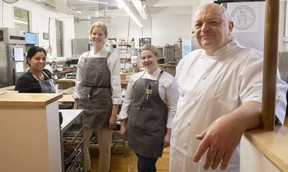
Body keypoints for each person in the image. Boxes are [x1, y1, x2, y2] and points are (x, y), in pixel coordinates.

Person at [169, 3, 287, 172]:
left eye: (213, 22)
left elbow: (269, 101)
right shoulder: (187, 61)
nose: (204, 28)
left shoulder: (252, 60)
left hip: (216, 163)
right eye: (198, 24)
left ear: (230, 26)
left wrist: (234, 120)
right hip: (179, 156)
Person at [119, 44, 179, 172]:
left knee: (144, 166)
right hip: (135, 129)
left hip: (154, 133)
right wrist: (123, 124)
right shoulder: (135, 78)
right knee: (146, 165)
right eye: (143, 58)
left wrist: (169, 133)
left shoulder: (168, 81)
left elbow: (173, 109)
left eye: (149, 56)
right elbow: (127, 101)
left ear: (157, 57)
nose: (146, 60)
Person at [73, 21, 122, 172]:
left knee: (105, 148)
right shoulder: (84, 57)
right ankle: (87, 169)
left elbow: (116, 87)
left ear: (106, 37)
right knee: (83, 144)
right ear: (90, 36)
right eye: (94, 33)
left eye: (100, 34)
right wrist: (76, 107)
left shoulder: (111, 57)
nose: (97, 36)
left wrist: (114, 114)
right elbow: (79, 83)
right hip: (85, 104)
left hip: (104, 104)